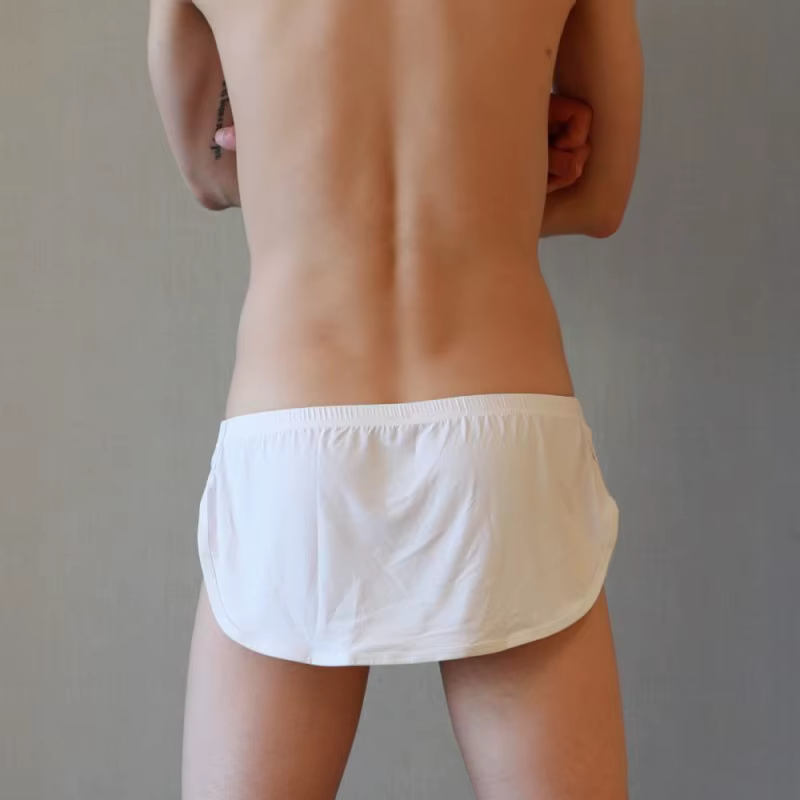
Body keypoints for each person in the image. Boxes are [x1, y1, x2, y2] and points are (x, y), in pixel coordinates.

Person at [148, 0, 643, 797]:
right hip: (502, 427)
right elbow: (603, 197)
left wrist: (320, 185)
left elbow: (209, 176)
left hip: (294, 435)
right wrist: (484, 186)